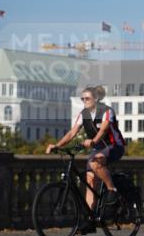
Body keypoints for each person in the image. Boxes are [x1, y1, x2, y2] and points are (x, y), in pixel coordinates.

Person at [47, 85, 125, 216]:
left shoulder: (106, 111)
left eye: (87, 98)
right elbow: (72, 133)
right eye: (82, 99)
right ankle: (90, 217)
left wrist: (93, 140)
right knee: (90, 179)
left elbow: (103, 129)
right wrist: (57, 146)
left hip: (114, 146)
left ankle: (112, 190)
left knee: (95, 162)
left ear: (96, 98)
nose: (84, 101)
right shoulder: (83, 114)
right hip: (98, 148)